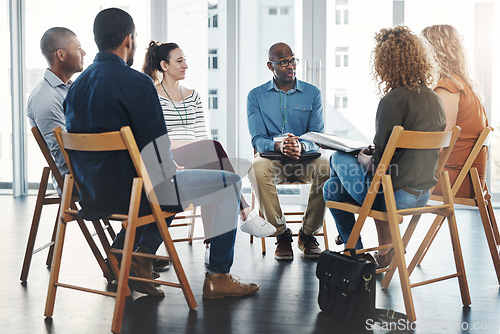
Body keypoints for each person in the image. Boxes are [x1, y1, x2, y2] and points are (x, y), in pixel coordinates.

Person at [64, 7, 259, 299]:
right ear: (128, 40)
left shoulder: (75, 88)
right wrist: (177, 176)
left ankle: (131, 258)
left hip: (92, 194)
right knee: (228, 182)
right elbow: (157, 153)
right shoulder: (137, 83)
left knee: (166, 183)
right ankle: (218, 276)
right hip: (137, 194)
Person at [323, 26, 446, 268]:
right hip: (422, 195)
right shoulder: (435, 99)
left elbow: (378, 164)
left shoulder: (392, 100)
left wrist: (362, 157)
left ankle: (356, 256)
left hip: (393, 197)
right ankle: (356, 253)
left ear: (384, 63)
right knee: (331, 188)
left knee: (337, 158)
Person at [142, 41, 275, 238]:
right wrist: (195, 147)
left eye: (185, 60)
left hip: (196, 155)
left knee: (216, 170)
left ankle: (211, 245)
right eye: (179, 61)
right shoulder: (152, 95)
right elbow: (162, 140)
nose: (185, 65)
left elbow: (201, 135)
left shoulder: (193, 96)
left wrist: (199, 148)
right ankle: (245, 213)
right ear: (164, 66)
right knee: (212, 151)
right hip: (171, 159)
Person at [247, 42, 330, 261]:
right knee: (255, 168)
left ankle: (308, 234)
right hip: (273, 158)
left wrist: (301, 146)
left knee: (328, 167)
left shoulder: (312, 93)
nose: (290, 66)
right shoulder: (255, 96)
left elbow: (317, 135)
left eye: (293, 60)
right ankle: (281, 234)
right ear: (270, 65)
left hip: (306, 159)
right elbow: (257, 139)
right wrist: (279, 146)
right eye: (283, 62)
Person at [421, 24, 489, 198]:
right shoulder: (465, 88)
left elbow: (440, 144)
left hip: (450, 181)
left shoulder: (447, 89)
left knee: (379, 177)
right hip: (468, 180)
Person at [27, 27, 85, 192]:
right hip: (76, 180)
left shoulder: (71, 89)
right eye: (78, 48)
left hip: (89, 172)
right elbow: (63, 155)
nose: (84, 53)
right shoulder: (45, 97)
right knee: (140, 180)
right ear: (61, 55)